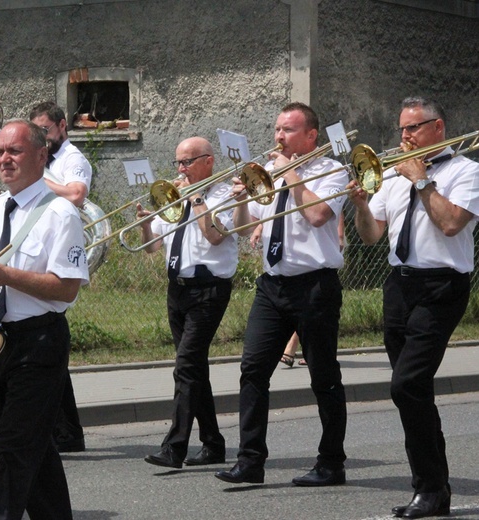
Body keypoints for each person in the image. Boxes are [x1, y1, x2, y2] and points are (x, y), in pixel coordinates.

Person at [348, 97, 479, 519]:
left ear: (438, 128)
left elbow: (451, 223)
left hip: (442, 286)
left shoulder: (466, 171)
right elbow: (371, 237)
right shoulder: (393, 176)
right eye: (402, 129)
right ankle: (433, 488)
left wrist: (422, 180)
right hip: (399, 286)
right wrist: (361, 205)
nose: (405, 136)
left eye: (414, 128)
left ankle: (429, 487)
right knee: (413, 393)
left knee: (406, 384)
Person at [216, 102, 348, 487]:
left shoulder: (332, 171)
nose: (278, 137)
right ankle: (250, 460)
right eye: (277, 129)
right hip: (272, 286)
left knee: (324, 377)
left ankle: (331, 463)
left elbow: (319, 215)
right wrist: (241, 198)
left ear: (311, 135)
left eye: (287, 130)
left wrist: (292, 177)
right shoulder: (269, 172)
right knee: (253, 370)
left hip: (314, 286)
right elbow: (244, 230)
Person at [0, 119, 89, 520]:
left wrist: (5, 276)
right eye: (0, 151)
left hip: (39, 342)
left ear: (41, 156)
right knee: (33, 448)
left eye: (14, 151)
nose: (4, 159)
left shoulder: (61, 213)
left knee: (15, 449)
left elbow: (66, 289)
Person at [138, 137, 237, 469]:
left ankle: (174, 447)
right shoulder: (175, 195)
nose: (180, 170)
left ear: (208, 161)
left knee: (186, 367)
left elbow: (214, 235)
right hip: (176, 290)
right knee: (194, 369)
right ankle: (213, 444)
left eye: (187, 162)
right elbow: (152, 248)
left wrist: (196, 198)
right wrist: (144, 225)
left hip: (208, 289)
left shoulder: (225, 194)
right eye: (177, 163)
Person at [29, 101, 92, 453]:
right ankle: (65, 431)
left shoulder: (72, 159)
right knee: (49, 361)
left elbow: (76, 195)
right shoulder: (45, 160)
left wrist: (33, 184)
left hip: (60, 253)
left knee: (49, 353)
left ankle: (65, 431)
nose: (43, 137)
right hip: (39, 249)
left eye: (46, 130)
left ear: (63, 126)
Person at [253, 214, 345, 368]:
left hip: (315, 268)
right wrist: (260, 226)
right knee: (254, 366)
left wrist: (340, 234)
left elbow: (326, 213)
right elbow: (278, 213)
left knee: (323, 369)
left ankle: (296, 348)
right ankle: (296, 348)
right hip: (277, 277)